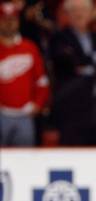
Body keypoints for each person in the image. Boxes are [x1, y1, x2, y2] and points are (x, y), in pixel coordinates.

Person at [48, 0, 96, 146]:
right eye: (74, 10)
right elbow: (66, 63)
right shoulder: (59, 38)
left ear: (90, 13)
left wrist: (85, 67)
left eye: (83, 9)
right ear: (68, 14)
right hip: (72, 112)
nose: (79, 14)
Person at [0, 1, 48, 146]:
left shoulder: (29, 47)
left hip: (25, 115)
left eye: (12, 19)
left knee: (25, 158)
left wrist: (38, 103)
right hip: (1, 114)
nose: (9, 24)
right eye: (4, 20)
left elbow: (42, 81)